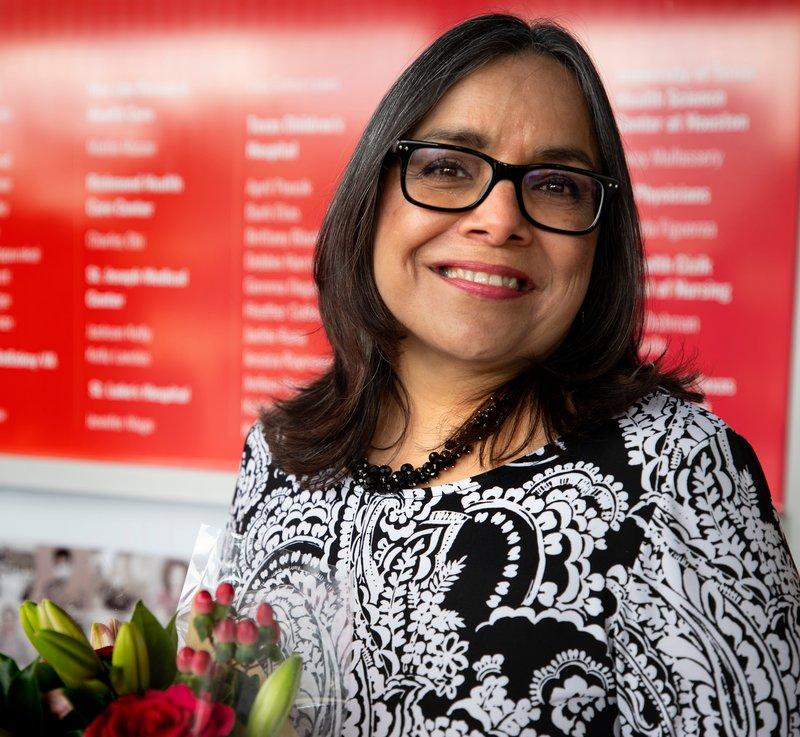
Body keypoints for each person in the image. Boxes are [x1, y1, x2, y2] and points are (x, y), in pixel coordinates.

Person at [227, 13, 800, 737]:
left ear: (601, 236)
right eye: (446, 167)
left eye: (557, 185)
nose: (500, 220)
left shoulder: (676, 476)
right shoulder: (277, 456)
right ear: (372, 196)